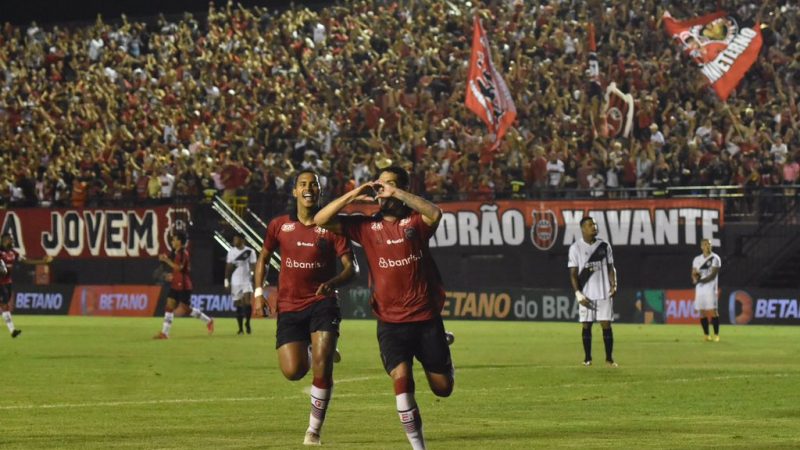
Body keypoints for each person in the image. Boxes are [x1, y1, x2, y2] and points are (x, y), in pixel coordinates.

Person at [314, 166, 454, 450]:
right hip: (390, 323)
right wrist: (355, 193)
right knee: (401, 382)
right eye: (381, 184)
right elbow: (321, 219)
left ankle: (445, 352)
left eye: (391, 184)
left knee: (444, 388)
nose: (384, 189)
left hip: (426, 319)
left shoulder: (415, 222)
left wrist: (398, 192)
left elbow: (435, 213)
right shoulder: (365, 226)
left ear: (402, 189)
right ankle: (419, 447)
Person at [254, 169, 355, 446]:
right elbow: (263, 257)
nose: (308, 188)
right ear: (295, 191)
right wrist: (258, 292)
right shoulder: (279, 225)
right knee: (293, 371)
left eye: (314, 184)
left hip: (323, 303)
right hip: (289, 306)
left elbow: (352, 268)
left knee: (322, 369)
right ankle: (315, 349)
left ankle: (313, 431)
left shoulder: (332, 227)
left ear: (320, 191)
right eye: (303, 184)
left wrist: (334, 282)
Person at [569, 217, 618, 367]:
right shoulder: (575, 248)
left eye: (595, 224)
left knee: (606, 324)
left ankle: (609, 359)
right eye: (590, 225)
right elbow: (573, 273)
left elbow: (611, 267)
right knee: (586, 325)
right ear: (583, 228)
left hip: (603, 292)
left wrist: (614, 284)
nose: (594, 227)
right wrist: (578, 293)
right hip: (586, 294)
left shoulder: (604, 246)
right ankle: (587, 358)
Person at [154, 231, 214, 339]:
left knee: (186, 309)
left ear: (180, 242)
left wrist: (166, 260)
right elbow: (177, 270)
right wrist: (171, 276)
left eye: (174, 239)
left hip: (184, 286)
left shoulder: (183, 253)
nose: (172, 241)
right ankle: (165, 333)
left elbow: (179, 268)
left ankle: (209, 321)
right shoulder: (175, 253)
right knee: (169, 306)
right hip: (175, 285)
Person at [0, 232, 53, 338]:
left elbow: (26, 261)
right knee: (4, 305)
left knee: (5, 305)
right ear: (5, 240)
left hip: (8, 282)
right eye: (10, 239)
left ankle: (13, 331)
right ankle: (13, 331)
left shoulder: (13, 253)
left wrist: (42, 261)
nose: (12, 241)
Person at [225, 231, 257, 335]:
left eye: (236, 239)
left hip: (246, 279)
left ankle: (247, 322)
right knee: (238, 303)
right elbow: (229, 267)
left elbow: (253, 265)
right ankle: (240, 329)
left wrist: (253, 277)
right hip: (235, 280)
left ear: (242, 240)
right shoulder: (231, 252)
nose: (234, 241)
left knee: (247, 302)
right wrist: (226, 280)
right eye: (234, 239)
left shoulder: (250, 251)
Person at [691, 239, 722, 342]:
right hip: (700, 290)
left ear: (711, 246)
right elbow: (694, 273)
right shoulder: (696, 259)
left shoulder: (715, 258)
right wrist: (695, 278)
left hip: (711, 289)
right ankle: (706, 335)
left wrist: (700, 280)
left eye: (709, 244)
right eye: (705, 244)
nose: (707, 246)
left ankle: (716, 335)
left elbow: (713, 275)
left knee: (713, 311)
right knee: (702, 312)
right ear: (701, 247)